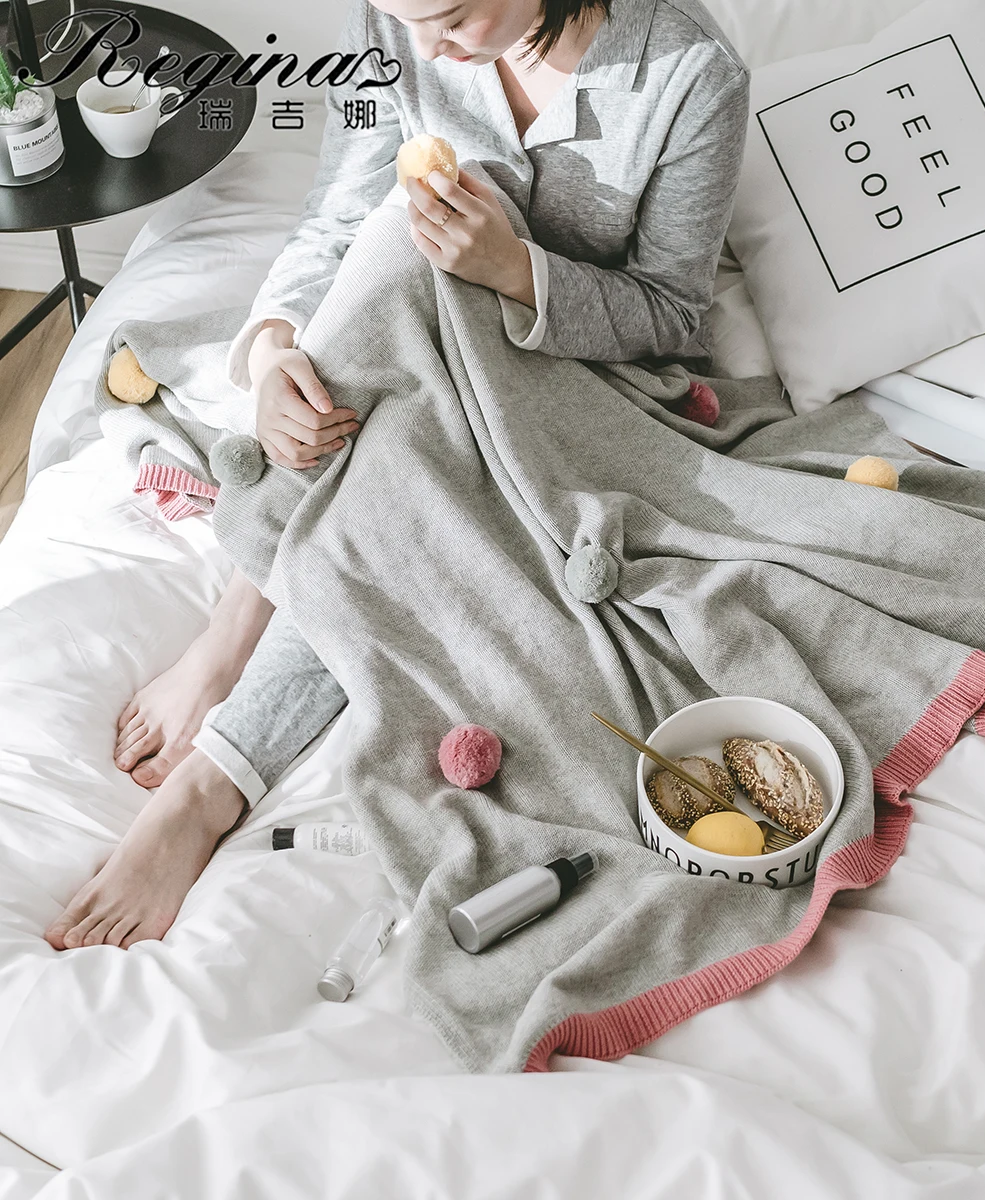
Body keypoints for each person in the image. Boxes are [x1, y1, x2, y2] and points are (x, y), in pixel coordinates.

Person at [45, 0, 749, 950]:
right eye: (403, 15)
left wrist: (517, 271)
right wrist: (273, 351)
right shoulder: (389, 25)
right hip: (395, 353)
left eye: (451, 16)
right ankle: (226, 701)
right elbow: (339, 215)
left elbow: (671, 314)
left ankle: (218, 741)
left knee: (402, 341)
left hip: (567, 379)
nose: (422, 47)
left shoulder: (691, 73)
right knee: (389, 255)